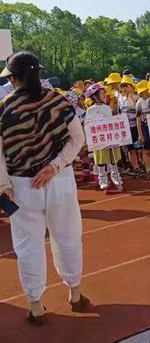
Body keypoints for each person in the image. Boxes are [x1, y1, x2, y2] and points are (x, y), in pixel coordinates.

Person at [0, 52, 90, 325]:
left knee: (28, 246)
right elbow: (77, 139)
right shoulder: (58, 101)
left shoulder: (4, 108)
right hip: (59, 180)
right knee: (69, 236)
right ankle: (75, 294)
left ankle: (36, 306)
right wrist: (54, 166)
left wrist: (4, 186)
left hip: (21, 185)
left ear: (14, 79)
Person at [85, 83, 123, 190]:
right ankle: (102, 178)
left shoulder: (107, 108)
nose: (104, 95)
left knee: (113, 157)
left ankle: (115, 175)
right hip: (100, 139)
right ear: (95, 96)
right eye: (101, 93)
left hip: (110, 138)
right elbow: (88, 125)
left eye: (104, 93)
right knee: (101, 158)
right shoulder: (90, 110)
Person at [118, 75, 142, 177]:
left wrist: (130, 95)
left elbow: (135, 108)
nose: (124, 88)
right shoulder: (120, 98)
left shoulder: (137, 98)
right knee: (131, 149)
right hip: (126, 127)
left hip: (136, 126)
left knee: (140, 148)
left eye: (127, 85)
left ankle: (143, 165)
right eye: (123, 85)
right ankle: (135, 167)